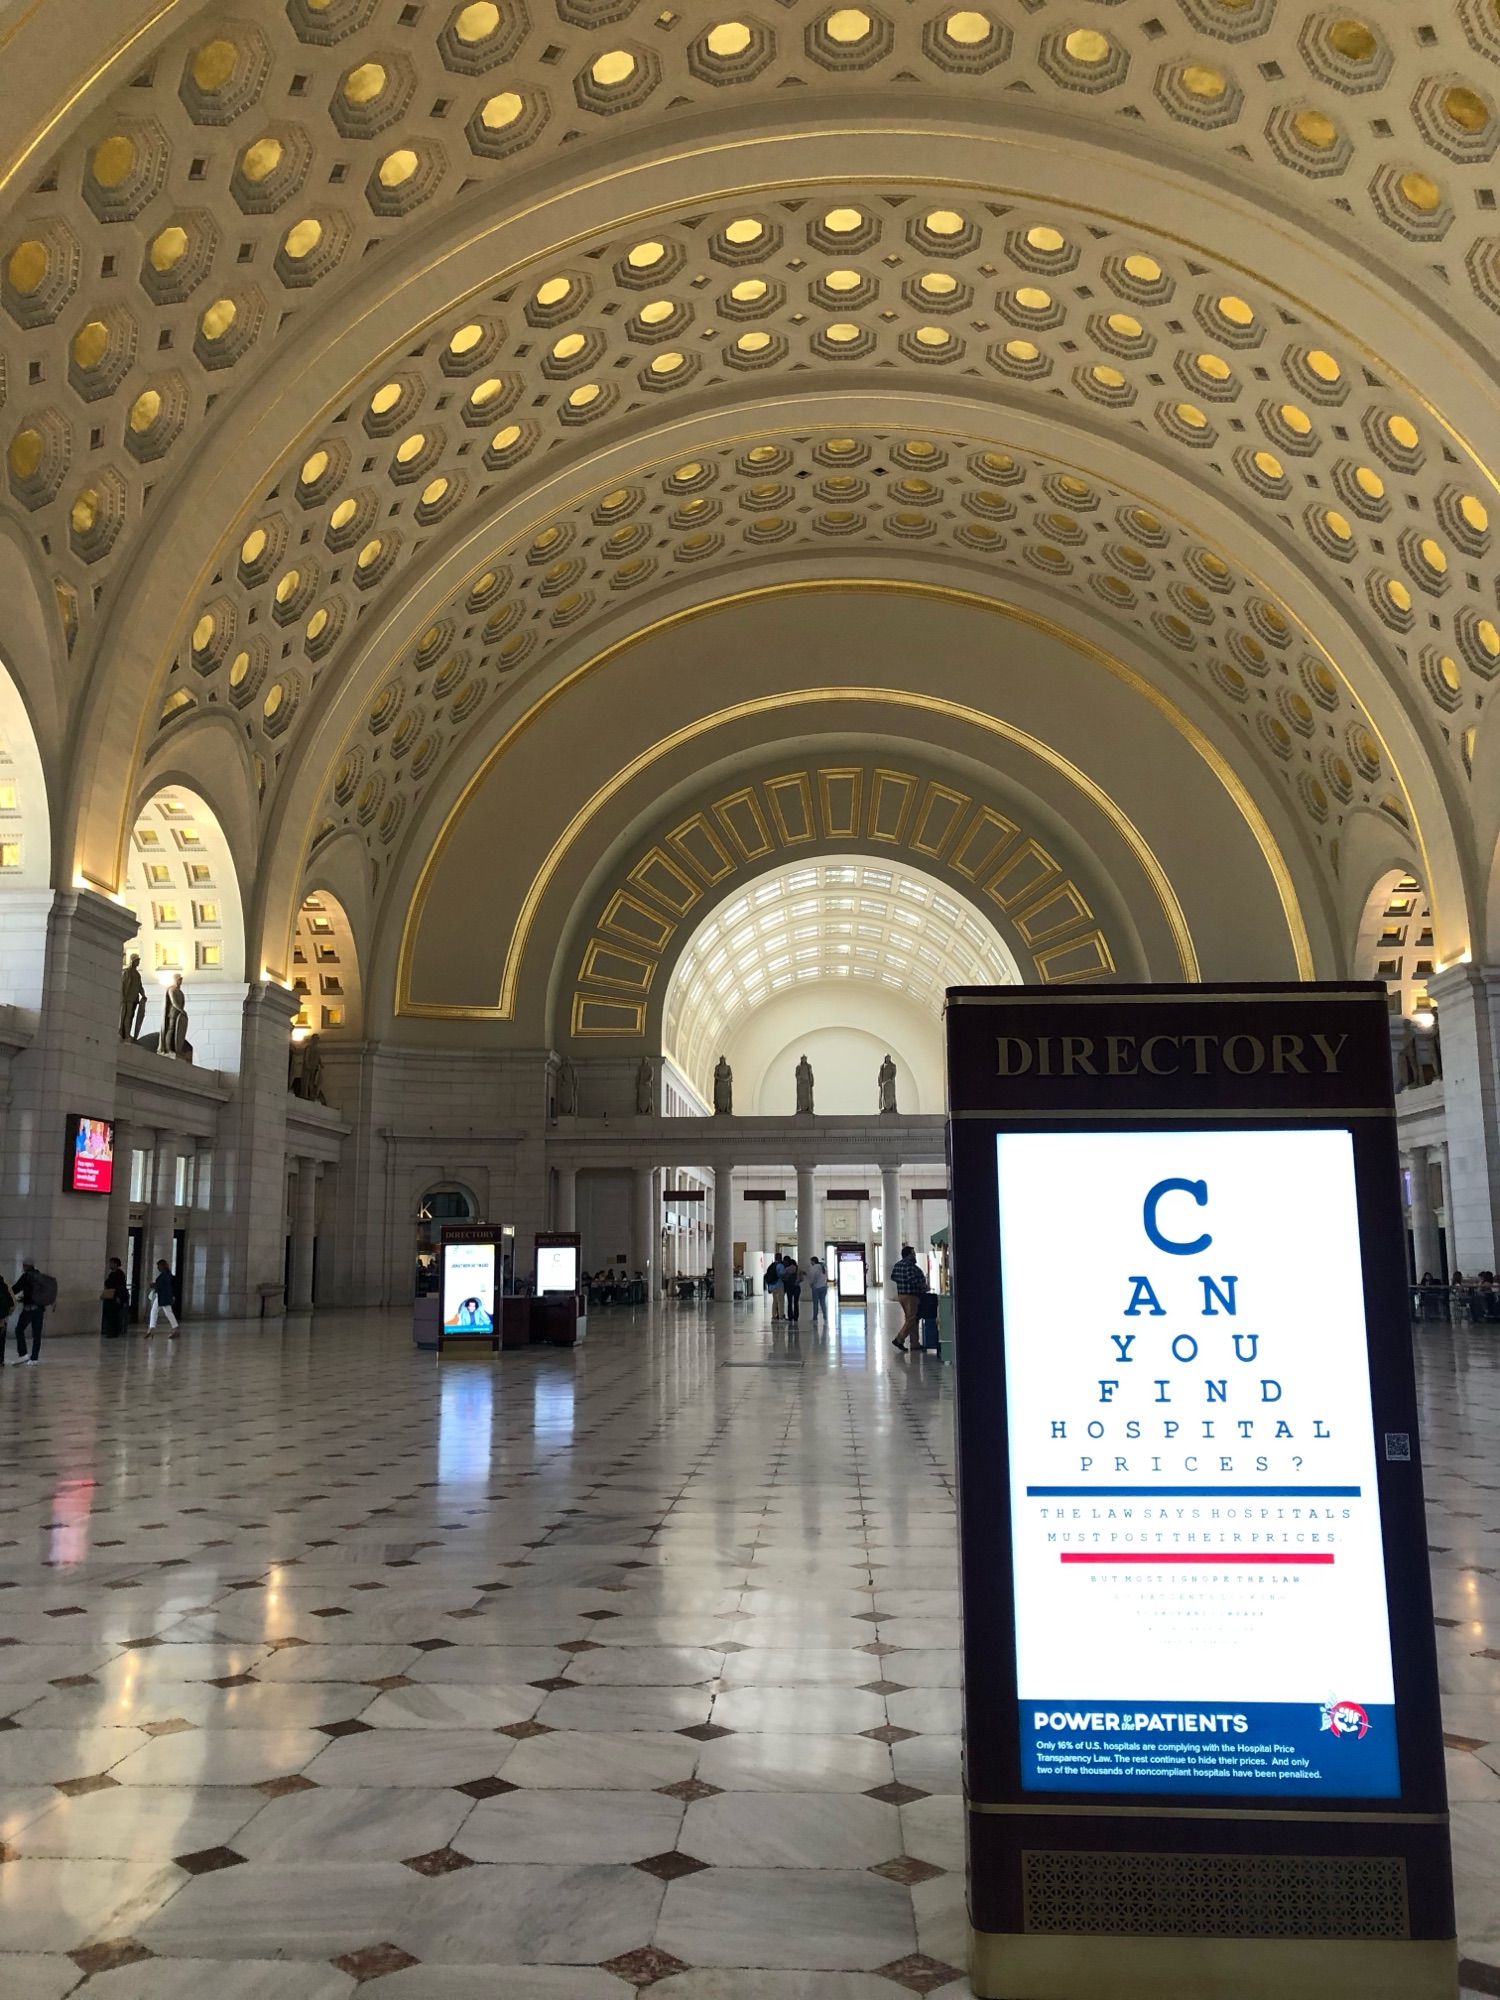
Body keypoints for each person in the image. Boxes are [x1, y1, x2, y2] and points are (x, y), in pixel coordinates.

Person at [14, 1261, 55, 1362]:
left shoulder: (26, 1277)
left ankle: (23, 1354)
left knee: (19, 1329)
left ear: (26, 1266)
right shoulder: (40, 1276)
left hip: (28, 1309)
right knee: (37, 1334)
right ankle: (34, 1358)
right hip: (39, 1310)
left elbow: (15, 1289)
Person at [890, 1242, 925, 1349]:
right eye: (913, 1254)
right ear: (909, 1255)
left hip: (901, 1295)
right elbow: (913, 1279)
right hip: (911, 1296)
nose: (915, 1256)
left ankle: (915, 1343)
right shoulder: (911, 1266)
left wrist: (902, 1282)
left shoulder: (897, 1265)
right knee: (911, 1319)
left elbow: (893, 1277)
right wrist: (923, 1286)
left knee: (912, 1319)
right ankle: (899, 1339)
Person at [146, 1258, 179, 1336]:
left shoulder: (165, 1275)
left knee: (165, 1312)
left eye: (159, 1266)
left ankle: (152, 1328)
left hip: (163, 1297)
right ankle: (151, 1328)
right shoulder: (167, 1274)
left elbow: (161, 1286)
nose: (158, 1268)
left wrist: (153, 1285)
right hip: (162, 1296)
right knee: (157, 1311)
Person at [101, 1257, 129, 1338]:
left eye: (112, 1263)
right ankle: (109, 1331)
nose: (110, 1265)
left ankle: (114, 1332)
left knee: (114, 1315)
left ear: (116, 1264)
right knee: (109, 1315)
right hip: (111, 1297)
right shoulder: (112, 1274)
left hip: (116, 1297)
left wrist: (118, 1297)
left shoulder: (120, 1274)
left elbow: (120, 1287)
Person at [808, 1255, 829, 1327]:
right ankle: (825, 1316)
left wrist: (811, 1284)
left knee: (815, 1303)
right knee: (823, 1303)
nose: (810, 1263)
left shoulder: (815, 1268)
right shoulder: (824, 1267)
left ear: (813, 1261)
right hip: (824, 1286)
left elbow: (814, 1277)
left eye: (811, 1261)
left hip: (816, 1287)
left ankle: (815, 1317)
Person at [781, 1254, 802, 1325]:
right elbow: (802, 1279)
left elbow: (783, 1277)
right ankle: (796, 1317)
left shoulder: (787, 1269)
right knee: (796, 1302)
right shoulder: (799, 1269)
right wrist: (797, 1281)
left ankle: (790, 1316)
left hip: (789, 1287)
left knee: (789, 1302)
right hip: (797, 1287)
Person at [764, 1254, 784, 1320]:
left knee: (775, 1301)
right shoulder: (780, 1265)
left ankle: (774, 1315)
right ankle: (781, 1315)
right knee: (780, 1301)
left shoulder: (771, 1265)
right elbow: (782, 1274)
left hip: (772, 1286)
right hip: (779, 1285)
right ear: (781, 1258)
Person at [0, 1268, 12, 1365]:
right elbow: (12, 1302)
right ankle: (0, 1360)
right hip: (2, 1318)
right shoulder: (4, 1283)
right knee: (1, 1340)